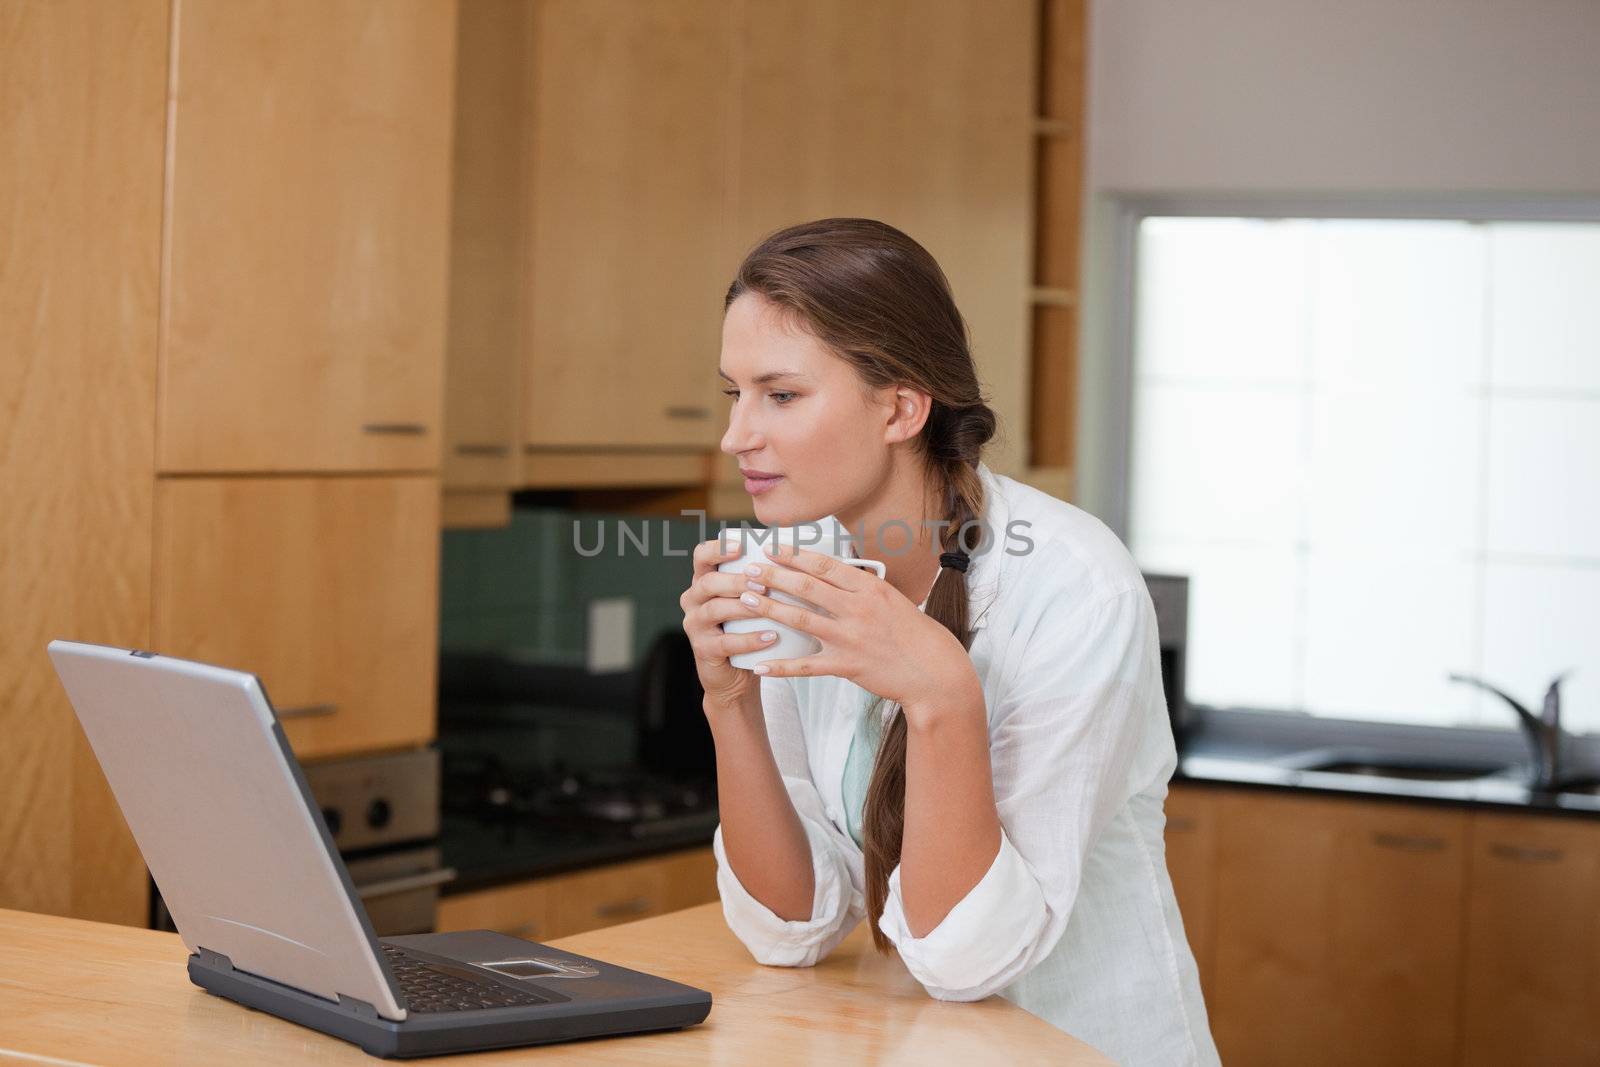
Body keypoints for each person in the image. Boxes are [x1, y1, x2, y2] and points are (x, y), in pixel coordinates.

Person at [678, 218, 1219, 1066]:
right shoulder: (806, 570)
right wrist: (730, 703)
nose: (736, 435)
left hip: (1087, 1046)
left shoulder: (1076, 588)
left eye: (780, 395)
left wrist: (941, 695)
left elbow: (967, 957)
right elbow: (792, 925)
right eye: (732, 394)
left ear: (900, 407)